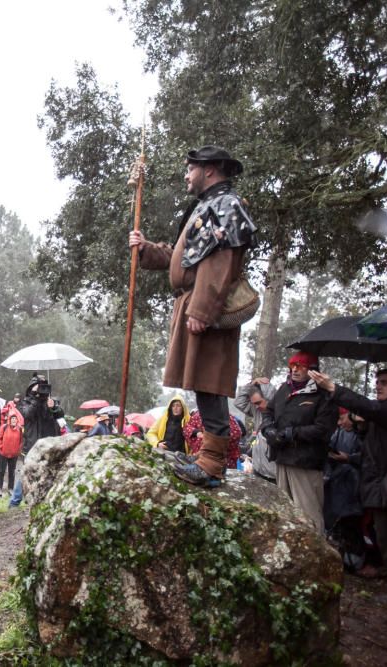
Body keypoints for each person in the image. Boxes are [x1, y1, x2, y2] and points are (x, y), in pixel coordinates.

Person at [129, 145, 256, 487]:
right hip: (195, 302)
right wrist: (146, 249)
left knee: (210, 382)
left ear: (210, 170)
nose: (186, 175)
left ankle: (212, 463)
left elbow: (219, 264)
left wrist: (200, 310)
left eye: (190, 169)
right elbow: (184, 259)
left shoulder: (226, 205)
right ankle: (208, 458)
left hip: (208, 306)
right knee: (202, 381)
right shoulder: (206, 206)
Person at [310, 367, 387, 607]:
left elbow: (371, 409)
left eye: (384, 383)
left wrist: (333, 388)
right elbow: (375, 441)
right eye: (377, 382)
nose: (378, 386)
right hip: (380, 484)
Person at [260, 352, 336, 533]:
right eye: (293, 365)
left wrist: (291, 433)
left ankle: (318, 555)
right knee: (285, 512)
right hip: (281, 458)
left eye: (301, 366)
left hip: (306, 462)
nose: (295, 370)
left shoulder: (323, 394)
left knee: (309, 515)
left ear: (312, 370)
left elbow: (324, 429)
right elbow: (268, 412)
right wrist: (268, 429)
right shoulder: (284, 389)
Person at [10, 375, 65, 507]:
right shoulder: (25, 402)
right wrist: (36, 398)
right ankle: (14, 502)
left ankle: (44, 501)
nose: (41, 390)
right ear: (31, 389)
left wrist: (53, 407)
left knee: (49, 471)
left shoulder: (50, 401)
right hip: (32, 442)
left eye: (43, 387)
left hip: (49, 442)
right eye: (38, 387)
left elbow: (60, 414)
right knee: (27, 472)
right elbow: (27, 414)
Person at [324, 408, 365, 571]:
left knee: (353, 524)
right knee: (339, 523)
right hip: (338, 482)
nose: (340, 423)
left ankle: (356, 561)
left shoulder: (363, 433)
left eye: (342, 419)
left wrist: (350, 458)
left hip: (355, 485)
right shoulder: (339, 433)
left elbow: (369, 456)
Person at [235, 380, 277, 482]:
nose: (257, 406)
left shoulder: (282, 412)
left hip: (274, 473)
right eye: (254, 404)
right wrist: (251, 385)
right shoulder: (257, 411)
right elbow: (239, 402)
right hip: (258, 469)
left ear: (269, 397)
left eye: (259, 402)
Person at [0, 411, 23, 497]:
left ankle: (10, 488)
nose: (14, 420)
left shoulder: (19, 429)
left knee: (12, 472)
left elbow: (21, 441)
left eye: (15, 418)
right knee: (1, 471)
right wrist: (1, 447)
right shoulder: (4, 427)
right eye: (12, 418)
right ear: (9, 420)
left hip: (14, 455)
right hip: (3, 454)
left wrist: (18, 450)